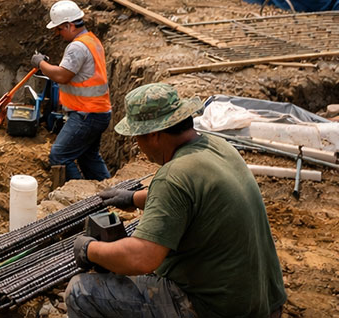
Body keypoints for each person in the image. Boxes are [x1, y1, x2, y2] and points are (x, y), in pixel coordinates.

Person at [67, 83, 286, 318]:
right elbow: (193, 195)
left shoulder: (173, 176)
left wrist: (89, 250)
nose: (139, 147)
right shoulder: (219, 147)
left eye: (137, 138)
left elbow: (142, 258)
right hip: (264, 302)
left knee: (80, 293)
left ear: (153, 134)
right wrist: (133, 198)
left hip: (215, 308)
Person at [31, 0, 111, 181]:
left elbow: (61, 76)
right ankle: (108, 193)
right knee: (88, 157)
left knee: (59, 155)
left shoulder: (76, 47)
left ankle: (78, 197)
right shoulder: (92, 40)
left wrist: (40, 63)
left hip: (87, 114)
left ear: (69, 25)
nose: (58, 34)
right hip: (97, 112)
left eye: (59, 29)